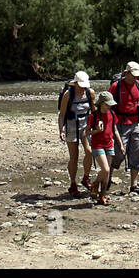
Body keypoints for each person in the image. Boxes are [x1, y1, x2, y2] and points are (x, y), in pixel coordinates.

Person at [108, 61, 139, 195]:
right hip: (120, 124)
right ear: (127, 73)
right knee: (119, 154)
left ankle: (134, 185)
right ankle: (107, 177)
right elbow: (107, 106)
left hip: (136, 123)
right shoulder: (116, 86)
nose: (136, 77)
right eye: (134, 75)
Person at [57, 70, 94, 198]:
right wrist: (61, 130)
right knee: (74, 156)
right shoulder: (68, 94)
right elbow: (61, 114)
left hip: (86, 124)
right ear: (76, 83)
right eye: (81, 85)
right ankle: (73, 183)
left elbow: (94, 111)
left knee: (89, 151)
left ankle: (86, 177)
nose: (83, 88)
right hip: (71, 125)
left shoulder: (90, 93)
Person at [87, 91, 119, 205]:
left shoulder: (112, 114)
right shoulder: (93, 116)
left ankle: (102, 195)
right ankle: (95, 184)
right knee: (105, 169)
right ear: (101, 104)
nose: (109, 106)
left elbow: (114, 130)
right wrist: (97, 130)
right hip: (98, 145)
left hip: (109, 144)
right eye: (107, 104)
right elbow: (87, 132)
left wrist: (120, 145)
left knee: (107, 172)